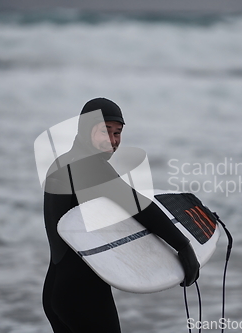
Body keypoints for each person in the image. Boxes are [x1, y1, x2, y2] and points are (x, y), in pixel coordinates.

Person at [42, 98, 200, 333]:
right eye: (105, 131)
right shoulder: (90, 166)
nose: (113, 141)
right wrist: (183, 245)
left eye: (118, 133)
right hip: (83, 294)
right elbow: (138, 206)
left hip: (57, 290)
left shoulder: (61, 163)